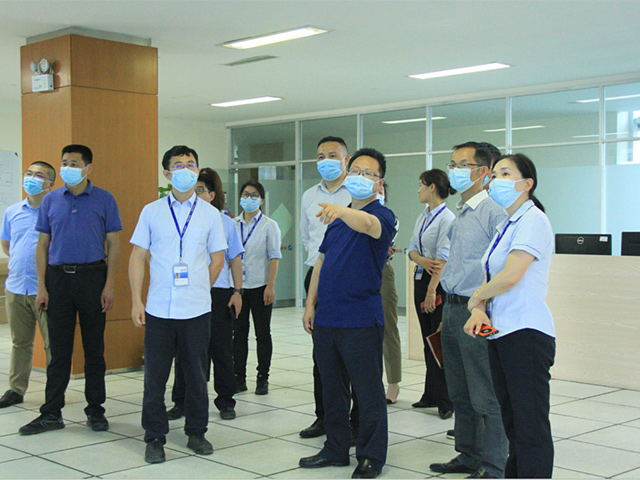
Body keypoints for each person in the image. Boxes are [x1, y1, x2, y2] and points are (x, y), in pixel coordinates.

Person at [299, 148, 396, 479]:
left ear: (379, 183)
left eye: (368, 173)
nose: (359, 177)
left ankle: (371, 455)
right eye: (355, 171)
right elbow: (321, 261)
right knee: (332, 388)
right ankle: (335, 448)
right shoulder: (337, 221)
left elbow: (367, 224)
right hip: (327, 317)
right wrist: (310, 303)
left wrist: (341, 210)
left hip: (360, 319)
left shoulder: (382, 216)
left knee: (367, 391)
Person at [129, 145, 227, 463]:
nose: (186, 169)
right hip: (159, 308)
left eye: (191, 164)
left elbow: (217, 259)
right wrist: (136, 300)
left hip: (196, 310)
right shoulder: (151, 211)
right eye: (178, 165)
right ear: (167, 173)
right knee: (155, 377)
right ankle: (154, 437)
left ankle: (196, 432)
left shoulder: (210, 215)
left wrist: (198, 288)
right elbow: (138, 256)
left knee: (197, 375)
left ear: (197, 171)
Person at [19, 145, 121, 436]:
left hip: (93, 278)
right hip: (58, 280)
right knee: (59, 352)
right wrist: (41, 286)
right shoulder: (51, 200)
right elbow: (42, 245)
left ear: (88, 168)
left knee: (94, 351)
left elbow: (114, 244)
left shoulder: (105, 199)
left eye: (74, 163)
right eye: (64, 162)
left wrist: (109, 285)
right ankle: (51, 413)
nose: (68, 168)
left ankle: (95, 410)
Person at [464, 153, 555, 478]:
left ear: (527, 184)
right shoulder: (507, 223)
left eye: (506, 173)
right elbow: (492, 275)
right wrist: (479, 308)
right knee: (513, 420)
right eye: (495, 174)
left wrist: (476, 297)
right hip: (501, 331)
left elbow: (512, 275)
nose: (496, 180)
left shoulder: (533, 220)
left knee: (529, 424)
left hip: (526, 333)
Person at [429, 141, 508, 479]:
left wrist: (483, 305)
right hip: (452, 308)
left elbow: (501, 267)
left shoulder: (493, 211)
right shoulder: (461, 211)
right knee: (459, 390)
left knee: (484, 392)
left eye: (463, 165)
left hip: (478, 311)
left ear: (483, 171)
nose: (455, 171)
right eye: (452, 164)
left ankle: (494, 464)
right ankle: (468, 454)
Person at [166, 167, 243, 421]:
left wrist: (237, 291)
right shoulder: (180, 219)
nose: (196, 194)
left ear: (212, 195)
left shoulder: (225, 222)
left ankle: (226, 401)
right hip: (188, 290)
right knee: (185, 350)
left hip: (218, 292)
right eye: (194, 189)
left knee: (221, 349)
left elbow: (235, 260)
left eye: (201, 190)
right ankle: (181, 400)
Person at [299, 136, 357, 440]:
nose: (325, 161)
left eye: (332, 155)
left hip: (350, 279)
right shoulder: (309, 195)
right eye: (320, 156)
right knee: (321, 356)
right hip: (317, 277)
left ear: (346, 159)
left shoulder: (358, 191)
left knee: (354, 354)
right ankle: (324, 417)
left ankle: (357, 421)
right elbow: (307, 237)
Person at [0, 162, 55, 409]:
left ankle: (54, 392)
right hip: (15, 287)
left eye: (39, 175)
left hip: (45, 289)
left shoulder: (55, 211)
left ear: (50, 184)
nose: (31, 178)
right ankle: (16, 389)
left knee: (52, 344)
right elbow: (7, 244)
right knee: (20, 342)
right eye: (29, 173)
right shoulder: (13, 211)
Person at [407, 169, 456, 418]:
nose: (418, 190)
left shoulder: (447, 219)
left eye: (421, 185)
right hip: (422, 275)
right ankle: (431, 394)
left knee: (439, 341)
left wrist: (431, 291)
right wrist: (422, 260)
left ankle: (447, 400)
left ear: (432, 188)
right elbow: (411, 249)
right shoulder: (422, 216)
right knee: (427, 340)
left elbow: (443, 260)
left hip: (436, 284)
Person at [233, 180, 281, 395]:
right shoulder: (232, 224)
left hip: (260, 286)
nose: (249, 198)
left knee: (262, 333)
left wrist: (270, 285)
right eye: (245, 194)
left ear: (261, 200)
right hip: (238, 288)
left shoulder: (269, 225)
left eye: (254, 195)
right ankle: (239, 377)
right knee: (238, 334)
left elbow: (274, 257)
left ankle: (263, 377)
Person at [377, 184, 402, 404]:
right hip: (356, 274)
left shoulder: (390, 218)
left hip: (381, 272)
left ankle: (393, 383)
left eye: (381, 190)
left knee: (389, 328)